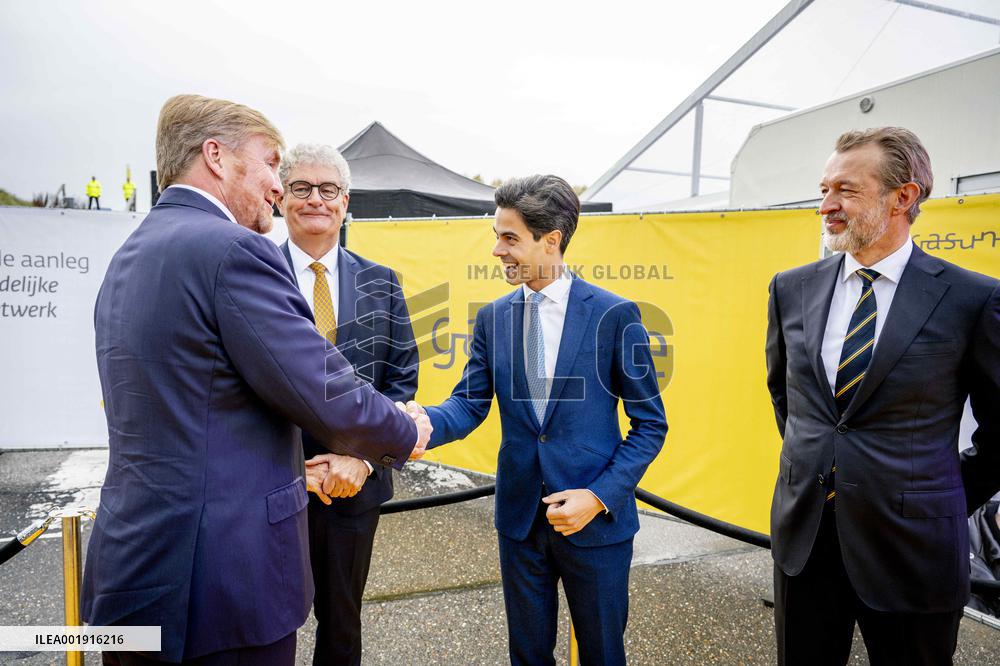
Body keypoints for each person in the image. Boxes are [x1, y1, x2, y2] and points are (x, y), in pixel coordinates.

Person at [83, 94, 431, 666]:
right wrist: (404, 430)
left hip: (133, 574)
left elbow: (202, 412)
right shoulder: (231, 251)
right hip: (221, 584)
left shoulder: (132, 253)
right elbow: (324, 390)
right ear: (216, 157)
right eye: (272, 163)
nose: (278, 183)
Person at [406, 175, 667, 666]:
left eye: (510, 238)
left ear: (552, 240)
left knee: (603, 654)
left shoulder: (615, 315)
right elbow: (469, 403)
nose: (497, 250)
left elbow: (650, 424)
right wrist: (421, 425)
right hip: (520, 520)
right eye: (496, 236)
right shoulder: (493, 318)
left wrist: (599, 497)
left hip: (596, 524)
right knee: (527, 655)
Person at [765, 126, 1000, 665]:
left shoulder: (972, 298)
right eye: (823, 189)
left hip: (913, 549)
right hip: (806, 539)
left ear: (904, 196)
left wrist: (936, 493)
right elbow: (790, 402)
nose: (826, 205)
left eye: (844, 190)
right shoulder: (790, 287)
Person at [275, 143, 419, 666]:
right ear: (281, 198)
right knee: (267, 625)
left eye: (328, 189)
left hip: (354, 486)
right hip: (271, 483)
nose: (316, 198)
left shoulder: (381, 281)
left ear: (345, 202)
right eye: (302, 187)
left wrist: (358, 459)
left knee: (341, 624)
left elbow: (400, 380)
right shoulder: (251, 271)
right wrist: (296, 467)